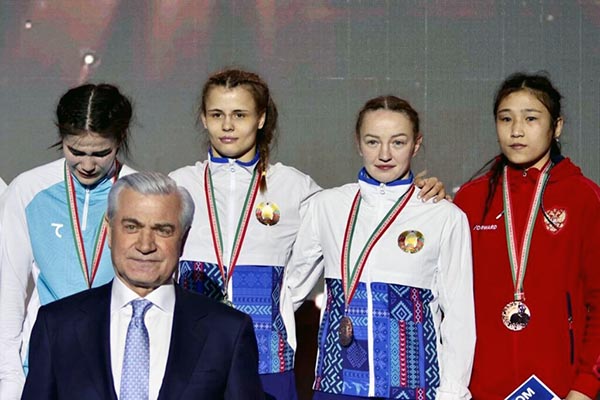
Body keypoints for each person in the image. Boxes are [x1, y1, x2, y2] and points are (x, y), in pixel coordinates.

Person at [169, 68, 447, 399]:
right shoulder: (178, 185)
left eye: (240, 114)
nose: (227, 125)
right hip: (191, 353)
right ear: (204, 118)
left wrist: (418, 197)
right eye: (217, 114)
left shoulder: (296, 187)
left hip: (267, 359)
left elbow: (361, 220)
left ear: (261, 118)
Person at [284, 95, 475, 399]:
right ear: (358, 143)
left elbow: (459, 316)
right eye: (373, 142)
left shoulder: (444, 216)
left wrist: (453, 392)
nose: (384, 154)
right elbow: (290, 291)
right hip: (338, 385)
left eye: (398, 142)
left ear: (416, 144)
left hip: (414, 387)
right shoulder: (327, 206)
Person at [21, 171, 264, 400]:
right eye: (131, 227)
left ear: (183, 238)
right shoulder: (57, 325)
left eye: (162, 230)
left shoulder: (227, 331)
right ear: (109, 231)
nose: (145, 245)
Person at [454, 73, 600, 399]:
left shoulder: (584, 198)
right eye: (505, 119)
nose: (516, 130)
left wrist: (585, 387)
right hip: (479, 388)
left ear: (556, 126)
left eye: (531, 118)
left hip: (562, 387)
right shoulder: (470, 199)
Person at [0, 83, 136, 399]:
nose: (87, 165)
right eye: (75, 151)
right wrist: (10, 381)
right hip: (44, 364)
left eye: (100, 153)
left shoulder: (141, 192)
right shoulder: (28, 190)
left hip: (117, 365)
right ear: (61, 137)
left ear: (119, 139)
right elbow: (9, 292)